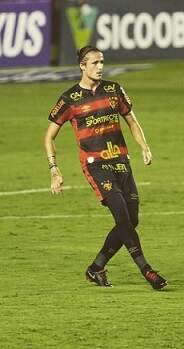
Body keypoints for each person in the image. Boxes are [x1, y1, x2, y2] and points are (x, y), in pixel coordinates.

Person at [44, 45, 167, 290]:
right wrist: (54, 169)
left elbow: (131, 119)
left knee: (131, 219)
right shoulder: (70, 99)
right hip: (96, 165)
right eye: (94, 63)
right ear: (82, 66)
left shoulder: (114, 89)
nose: (100, 67)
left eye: (102, 62)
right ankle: (147, 270)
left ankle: (96, 267)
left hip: (121, 161)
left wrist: (144, 146)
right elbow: (49, 136)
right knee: (122, 216)